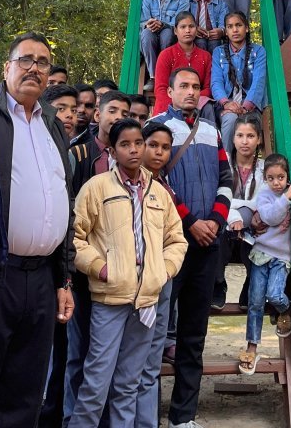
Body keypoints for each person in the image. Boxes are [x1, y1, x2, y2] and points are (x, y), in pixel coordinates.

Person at [0, 31, 75, 428]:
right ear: (6, 67)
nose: (34, 68)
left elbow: (64, 200)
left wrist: (64, 279)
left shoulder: (52, 123)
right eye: (25, 60)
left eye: (42, 62)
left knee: (27, 387)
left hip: (41, 279)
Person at [70, 118, 187, 428]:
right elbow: (75, 238)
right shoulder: (97, 188)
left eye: (138, 143)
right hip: (110, 298)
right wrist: (101, 268)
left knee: (128, 383)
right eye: (125, 144)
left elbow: (177, 240)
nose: (134, 150)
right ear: (112, 150)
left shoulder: (158, 192)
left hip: (147, 300)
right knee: (96, 381)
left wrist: (162, 271)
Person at [154, 67, 232, 428]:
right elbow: (156, 180)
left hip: (208, 244)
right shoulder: (156, 128)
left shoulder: (212, 131)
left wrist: (215, 220)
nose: (190, 91)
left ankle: (183, 417)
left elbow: (227, 180)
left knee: (193, 335)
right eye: (183, 86)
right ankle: (146, 414)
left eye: (195, 86)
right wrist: (190, 222)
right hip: (170, 244)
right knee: (155, 333)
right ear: (169, 91)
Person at [63, 90, 131, 424]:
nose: (118, 117)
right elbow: (68, 210)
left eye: (124, 113)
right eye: (112, 110)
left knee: (110, 357)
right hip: (84, 268)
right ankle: (70, 419)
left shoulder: (132, 161)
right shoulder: (79, 154)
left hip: (119, 274)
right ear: (97, 115)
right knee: (79, 353)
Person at [238, 153, 291, 375]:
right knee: (255, 301)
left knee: (274, 295)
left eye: (280, 177)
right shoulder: (265, 194)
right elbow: (269, 217)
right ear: (265, 178)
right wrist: (286, 199)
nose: (276, 183)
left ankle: (285, 308)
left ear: (287, 177)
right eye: (271, 178)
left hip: (282, 257)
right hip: (262, 253)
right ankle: (252, 346)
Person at [136, 122, 180, 428]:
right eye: (152, 145)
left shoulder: (165, 186)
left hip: (162, 280)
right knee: (131, 363)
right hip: (133, 284)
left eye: (165, 148)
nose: (159, 153)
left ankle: (148, 422)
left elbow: (175, 238)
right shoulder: (124, 183)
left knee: (152, 361)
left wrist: (166, 268)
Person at [218, 115, 265, 312]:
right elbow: (218, 197)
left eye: (250, 136)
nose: (245, 141)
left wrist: (242, 211)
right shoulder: (223, 164)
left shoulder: (264, 168)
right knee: (220, 230)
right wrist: (236, 214)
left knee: (257, 235)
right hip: (225, 224)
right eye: (240, 135)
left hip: (251, 228)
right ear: (233, 138)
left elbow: (261, 201)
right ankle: (218, 283)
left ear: (259, 139)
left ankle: (250, 285)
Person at [210, 11, 267, 155]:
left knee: (247, 125)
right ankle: (226, 162)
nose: (234, 30)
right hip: (226, 105)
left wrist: (246, 107)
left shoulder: (258, 51)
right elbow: (216, 82)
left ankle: (247, 163)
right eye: (230, 27)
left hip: (251, 107)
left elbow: (258, 82)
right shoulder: (218, 52)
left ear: (246, 28)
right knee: (230, 119)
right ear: (226, 31)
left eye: (238, 25)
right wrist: (226, 103)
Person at [139, 0, 191, 89]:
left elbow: (180, 23)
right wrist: (149, 24)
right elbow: (143, 20)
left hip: (170, 34)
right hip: (151, 33)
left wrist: (163, 25)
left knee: (167, 34)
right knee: (146, 34)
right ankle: (153, 77)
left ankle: (165, 73)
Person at [152, 12, 212, 117]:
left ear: (196, 29)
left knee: (209, 108)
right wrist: (178, 105)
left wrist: (190, 100)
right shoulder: (166, 55)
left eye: (191, 26)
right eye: (183, 27)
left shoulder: (205, 56)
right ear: (175, 31)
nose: (187, 30)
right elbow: (161, 89)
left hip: (196, 105)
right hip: (169, 108)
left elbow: (207, 88)